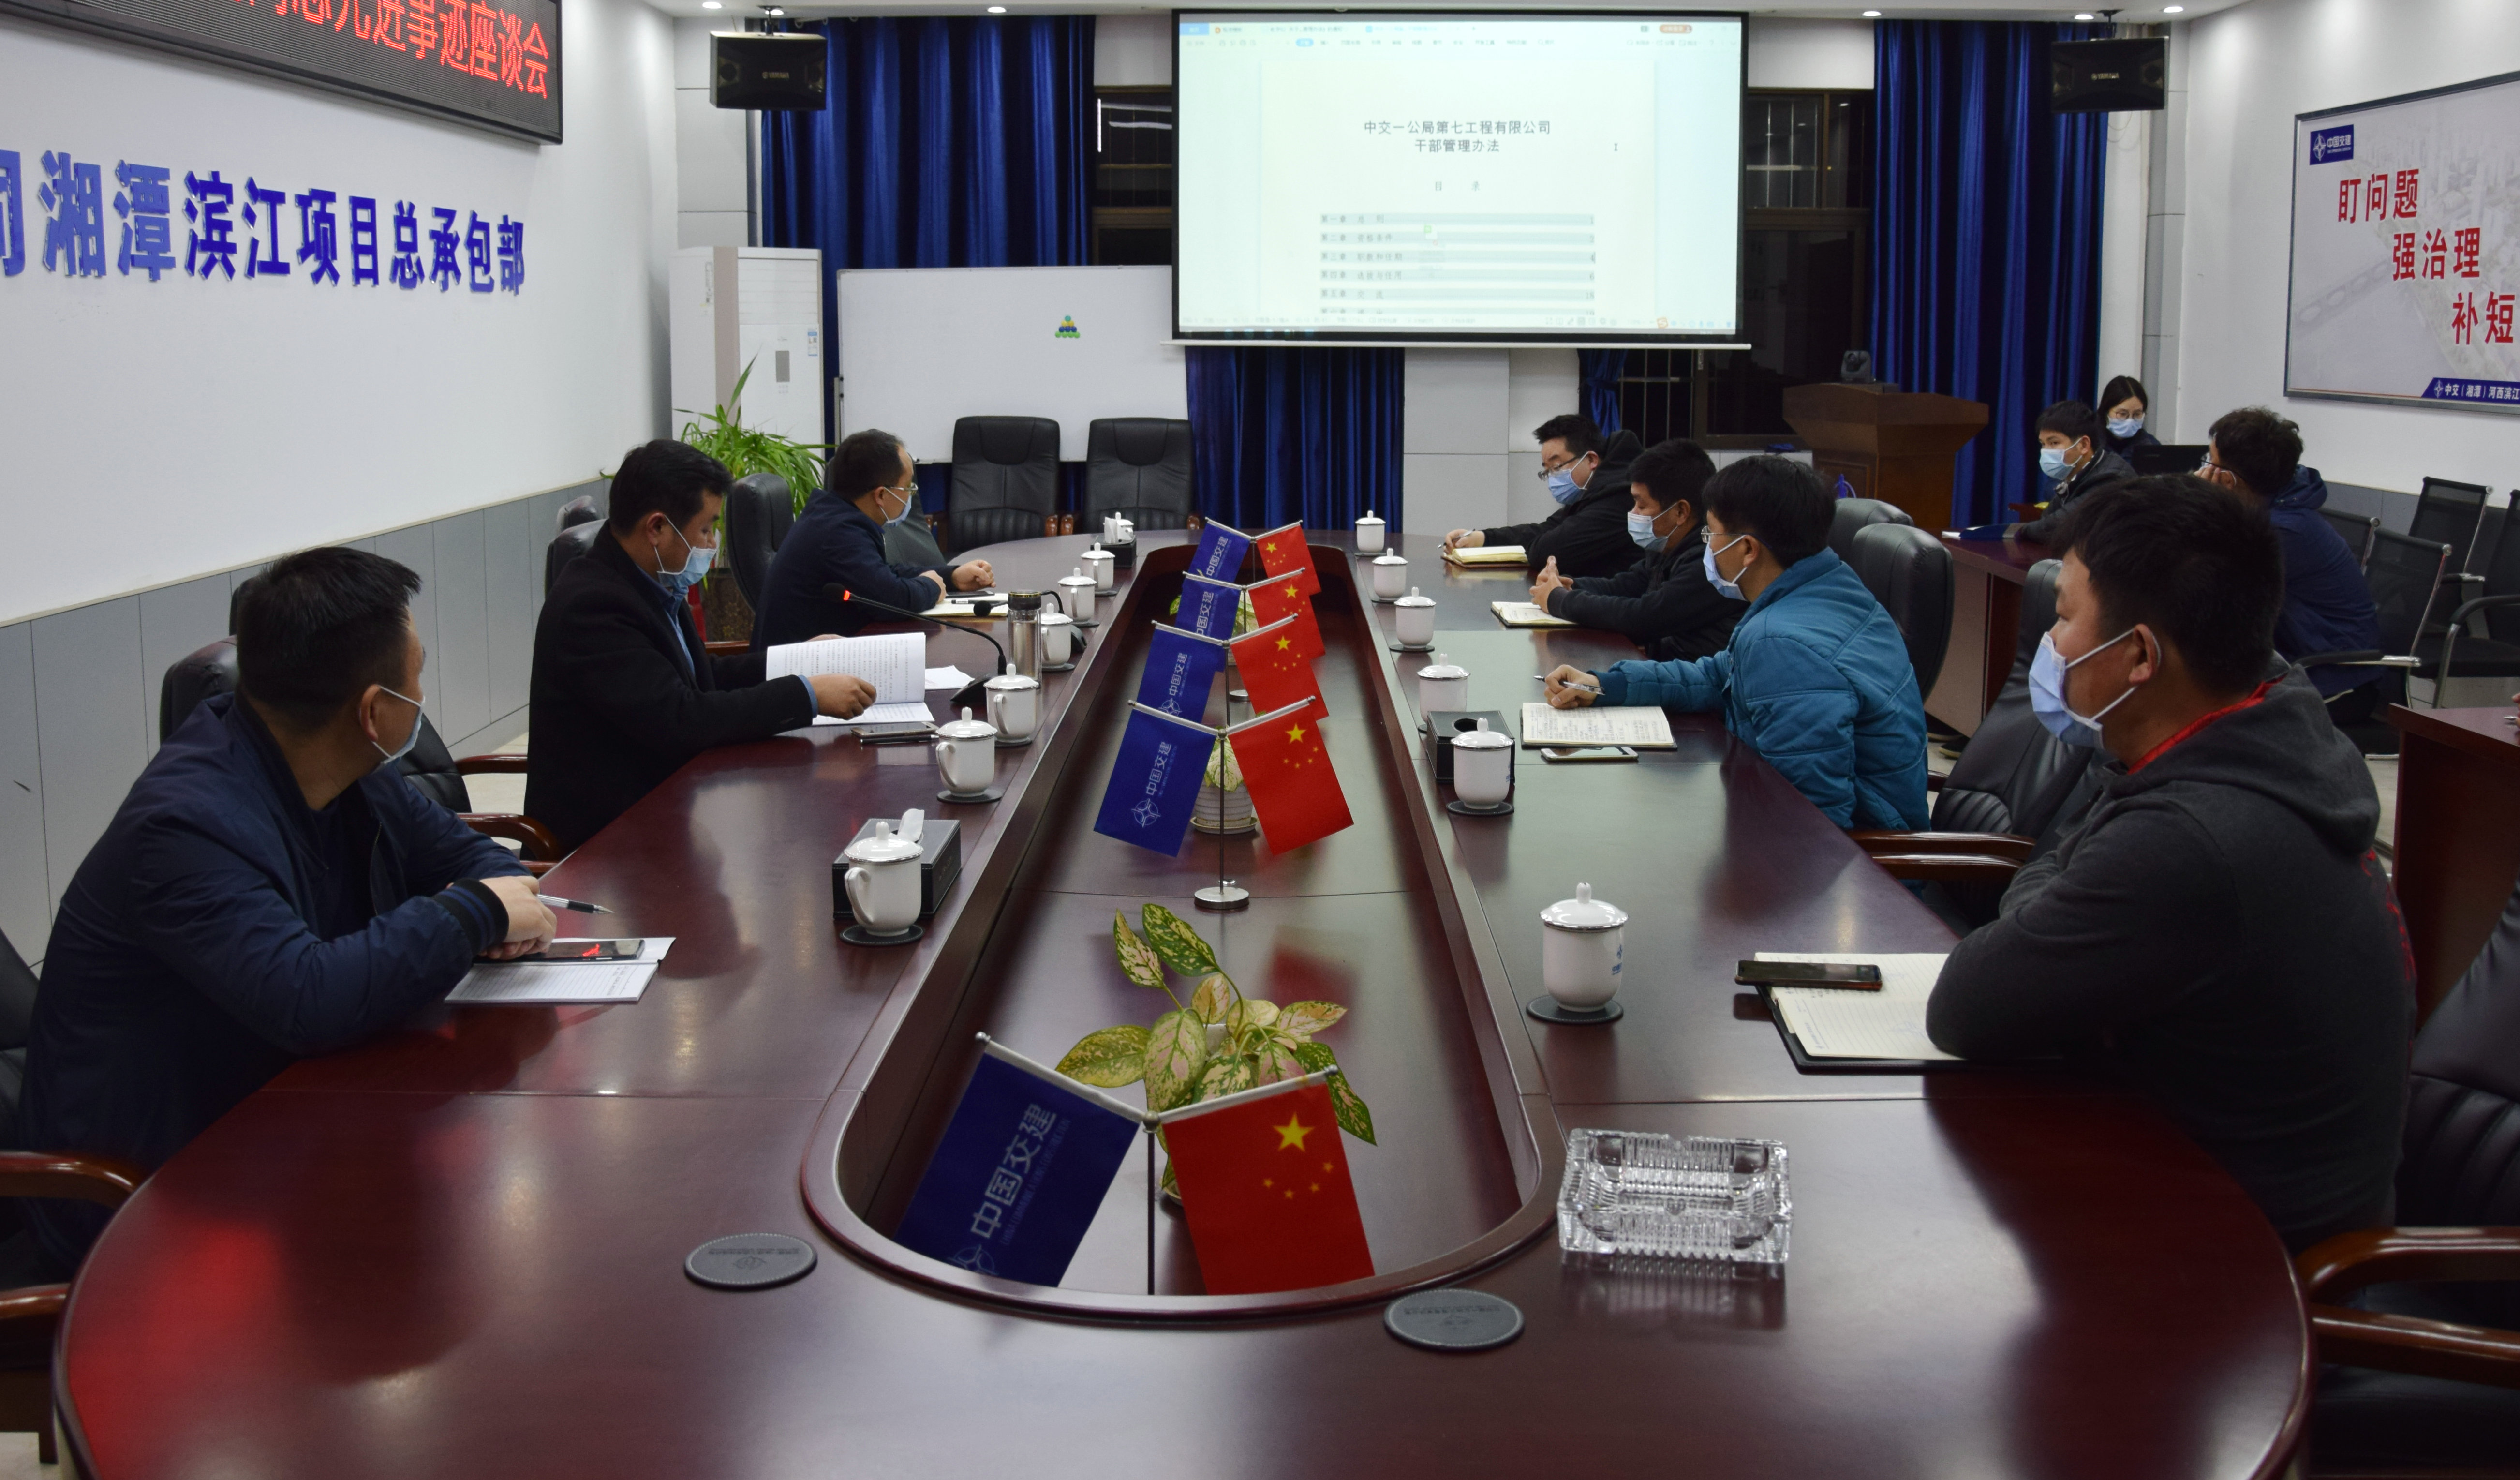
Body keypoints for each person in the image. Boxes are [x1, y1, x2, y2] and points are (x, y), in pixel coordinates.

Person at [11, 548, 559, 1275]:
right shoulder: (185, 826)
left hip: (277, 1119)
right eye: (417, 674)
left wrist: (494, 902)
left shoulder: (348, 767)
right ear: (373, 711)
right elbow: (308, 995)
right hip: (147, 1198)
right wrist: (470, 917)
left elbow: (473, 861)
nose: (422, 693)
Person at [1926, 476, 2410, 1254]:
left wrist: (2052, 888)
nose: (2051, 643)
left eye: (2063, 617)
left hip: (2240, 1265)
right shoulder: (2265, 729)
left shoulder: (2191, 837)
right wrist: (2058, 884)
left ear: (2140, 655)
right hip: (2188, 1177)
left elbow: (1965, 1005)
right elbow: (2058, 864)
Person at [528, 439, 880, 852]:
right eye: (706, 529)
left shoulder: (649, 578)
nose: (712, 545)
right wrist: (808, 695)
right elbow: (681, 718)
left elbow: (699, 676)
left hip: (667, 804)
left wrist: (800, 660)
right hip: (607, 844)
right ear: (657, 528)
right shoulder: (593, 606)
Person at [1542, 456, 1928, 830]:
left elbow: (1809, 826)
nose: (1708, 548)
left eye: (1711, 535)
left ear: (1747, 549)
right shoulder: (1828, 588)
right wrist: (1606, 685)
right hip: (1817, 835)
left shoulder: (1783, 643)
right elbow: (1717, 676)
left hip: (1863, 860)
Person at [2199, 407, 2383, 719]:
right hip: (2293, 663)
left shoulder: (2283, 531)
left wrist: (2199, 503)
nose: (2204, 471)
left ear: (2228, 480)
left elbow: (2209, 586)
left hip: (2333, 678)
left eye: (2210, 462)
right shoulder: (2274, 509)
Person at [752, 429, 993, 647]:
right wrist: (931, 587)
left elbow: (882, 576)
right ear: (881, 495)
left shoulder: (833, 516)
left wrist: (951, 577)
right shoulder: (839, 533)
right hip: (797, 673)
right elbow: (891, 601)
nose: (911, 495)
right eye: (908, 488)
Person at [1526, 437, 1741, 663]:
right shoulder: (1667, 546)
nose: (1633, 513)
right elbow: (1626, 585)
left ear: (1680, 512)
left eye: (1642, 505)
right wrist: (1569, 585)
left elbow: (1644, 617)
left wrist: (1560, 600)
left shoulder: (1711, 561)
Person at [1441, 415, 1643, 579]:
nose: (1553, 477)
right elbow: (1546, 529)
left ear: (1591, 460)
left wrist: (1537, 545)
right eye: (1547, 471)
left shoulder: (1619, 496)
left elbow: (1547, 552)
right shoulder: (1591, 493)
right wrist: (1484, 538)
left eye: (1557, 467)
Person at [2012, 400, 2135, 546]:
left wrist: (2019, 532)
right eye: (2043, 444)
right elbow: (2046, 521)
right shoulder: (2078, 476)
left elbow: (2057, 527)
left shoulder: (2111, 479)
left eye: (2054, 443)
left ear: (2083, 445)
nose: (2046, 451)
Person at [2097, 374, 2162, 459]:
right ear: (2106, 411)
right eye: (2123, 414)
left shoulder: (2151, 447)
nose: (2130, 420)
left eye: (2137, 414)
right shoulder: (2089, 445)